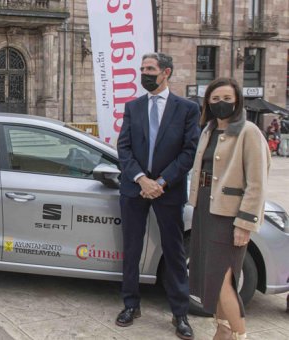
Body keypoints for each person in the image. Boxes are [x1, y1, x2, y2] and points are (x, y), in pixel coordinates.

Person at [116, 52, 200, 339]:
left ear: (166, 72)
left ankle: (180, 313)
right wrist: (141, 178)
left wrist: (161, 182)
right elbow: (123, 149)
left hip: (168, 191)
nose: (144, 73)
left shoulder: (187, 109)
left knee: (174, 252)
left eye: (150, 69)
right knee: (131, 250)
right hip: (134, 188)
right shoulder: (132, 107)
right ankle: (131, 304)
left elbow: (189, 152)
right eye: (142, 69)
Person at [188, 78, 270, 340]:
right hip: (205, 210)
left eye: (226, 98)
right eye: (214, 99)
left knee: (225, 280)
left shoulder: (249, 131)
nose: (220, 104)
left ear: (237, 101)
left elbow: (257, 182)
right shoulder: (208, 130)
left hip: (229, 216)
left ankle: (239, 334)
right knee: (210, 277)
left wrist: (245, 223)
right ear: (207, 103)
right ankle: (222, 328)